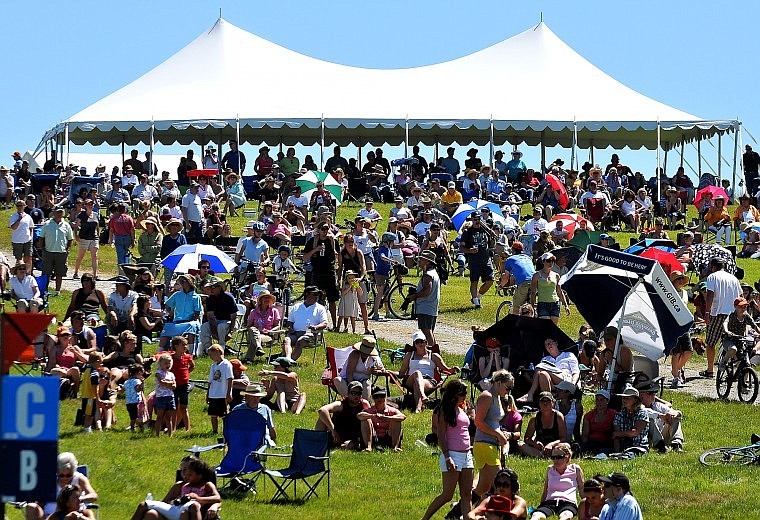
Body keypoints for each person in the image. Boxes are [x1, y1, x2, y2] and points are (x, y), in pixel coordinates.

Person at [422, 379, 473, 520]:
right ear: (454, 393)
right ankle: (425, 518)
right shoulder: (444, 410)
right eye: (462, 392)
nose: (465, 395)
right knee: (447, 495)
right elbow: (441, 436)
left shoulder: (461, 409)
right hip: (452, 454)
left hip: (467, 454)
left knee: (467, 494)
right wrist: (447, 456)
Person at [131, 457, 221, 520]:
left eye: (189, 473)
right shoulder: (180, 485)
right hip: (174, 509)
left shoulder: (206, 485)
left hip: (189, 510)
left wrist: (198, 499)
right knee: (145, 507)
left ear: (199, 475)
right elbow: (164, 502)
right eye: (183, 472)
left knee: (191, 507)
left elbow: (217, 498)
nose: (185, 475)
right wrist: (174, 501)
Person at [472, 370, 514, 501]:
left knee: (483, 487)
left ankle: (457, 511)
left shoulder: (497, 398)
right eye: (508, 387)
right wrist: (498, 434)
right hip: (485, 444)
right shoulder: (487, 396)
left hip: (492, 444)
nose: (509, 391)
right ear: (499, 383)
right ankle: (505, 512)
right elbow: (478, 422)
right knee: (502, 481)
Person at [24, 452, 98, 520]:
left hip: (74, 514)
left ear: (74, 471)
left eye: (69, 475)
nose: (65, 478)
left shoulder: (79, 479)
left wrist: (79, 499)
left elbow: (94, 495)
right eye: (61, 475)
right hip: (51, 514)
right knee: (31, 507)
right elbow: (41, 501)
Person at [399, 330, 459, 413]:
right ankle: (423, 396)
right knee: (417, 373)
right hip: (410, 379)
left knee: (418, 383)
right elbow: (401, 373)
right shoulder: (409, 355)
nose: (420, 344)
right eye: (417, 342)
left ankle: (418, 408)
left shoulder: (434, 356)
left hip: (428, 381)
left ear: (426, 342)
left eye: (422, 342)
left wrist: (453, 369)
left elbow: (446, 369)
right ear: (414, 344)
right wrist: (389, 372)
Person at [702, 257, 742, 377]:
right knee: (733, 342)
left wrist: (707, 312)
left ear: (713, 266)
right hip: (732, 314)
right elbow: (740, 295)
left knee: (711, 342)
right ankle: (736, 370)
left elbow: (710, 294)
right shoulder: (733, 278)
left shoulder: (712, 277)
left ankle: (710, 370)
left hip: (718, 313)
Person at [529, 442, 584, 520]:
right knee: (536, 515)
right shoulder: (550, 469)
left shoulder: (575, 469)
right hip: (550, 501)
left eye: (559, 457)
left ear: (567, 458)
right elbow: (545, 491)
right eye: (553, 457)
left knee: (566, 516)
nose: (555, 460)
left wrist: (586, 506)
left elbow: (582, 489)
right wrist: (541, 506)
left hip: (568, 502)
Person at [517, 338, 579, 404]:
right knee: (543, 374)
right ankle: (549, 402)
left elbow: (576, 372)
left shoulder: (568, 355)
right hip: (553, 384)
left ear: (556, 343)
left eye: (550, 342)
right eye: (546, 344)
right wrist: (524, 373)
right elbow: (535, 381)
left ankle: (530, 394)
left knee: (539, 367)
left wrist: (572, 384)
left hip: (566, 379)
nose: (549, 345)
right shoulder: (545, 359)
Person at [315, 380, 371, 450]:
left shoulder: (364, 404)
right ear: (348, 393)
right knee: (322, 418)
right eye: (353, 393)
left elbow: (370, 422)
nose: (356, 396)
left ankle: (367, 447)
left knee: (366, 418)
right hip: (337, 432)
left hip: (353, 436)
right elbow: (322, 410)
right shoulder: (341, 404)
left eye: (359, 393)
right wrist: (333, 430)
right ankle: (317, 442)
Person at [636, 380, 684, 453]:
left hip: (663, 435)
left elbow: (676, 412)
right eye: (651, 393)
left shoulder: (657, 405)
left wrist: (674, 414)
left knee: (675, 419)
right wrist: (661, 416)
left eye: (655, 392)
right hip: (649, 439)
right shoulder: (637, 407)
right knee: (649, 419)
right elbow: (644, 412)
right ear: (641, 395)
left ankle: (676, 445)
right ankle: (661, 446)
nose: (654, 395)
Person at [282, 285, 329, 360]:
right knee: (287, 340)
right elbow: (289, 322)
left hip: (311, 334)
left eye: (318, 294)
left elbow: (324, 323)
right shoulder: (296, 306)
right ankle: (287, 358)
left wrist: (316, 327)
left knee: (301, 341)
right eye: (315, 294)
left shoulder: (320, 308)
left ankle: (290, 361)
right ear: (307, 294)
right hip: (295, 333)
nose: (317, 296)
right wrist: (290, 328)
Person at [160, 274, 203, 352]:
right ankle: (160, 352)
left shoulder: (196, 297)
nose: (182, 283)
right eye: (181, 281)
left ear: (190, 283)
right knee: (166, 329)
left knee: (191, 327)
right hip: (177, 321)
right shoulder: (177, 295)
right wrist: (170, 312)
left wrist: (191, 320)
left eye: (184, 281)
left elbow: (197, 313)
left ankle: (191, 352)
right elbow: (167, 304)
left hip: (190, 321)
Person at [460, 212, 495, 308]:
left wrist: (493, 237)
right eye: (475, 219)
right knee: (474, 281)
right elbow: (461, 248)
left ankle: (478, 296)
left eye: (479, 219)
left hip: (486, 258)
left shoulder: (485, 230)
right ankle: (476, 302)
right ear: (471, 220)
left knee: (490, 281)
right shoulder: (467, 232)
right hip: (474, 260)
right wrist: (469, 251)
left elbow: (491, 244)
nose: (477, 221)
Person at [407, 249, 441, 345]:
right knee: (429, 331)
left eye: (421, 259)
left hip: (425, 307)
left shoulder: (428, 275)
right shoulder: (434, 273)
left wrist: (414, 296)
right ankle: (433, 351)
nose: (419, 261)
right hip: (431, 307)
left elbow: (426, 291)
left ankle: (432, 352)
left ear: (427, 261)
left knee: (426, 331)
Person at [357, 386, 406, 452]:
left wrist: (388, 418)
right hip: (373, 437)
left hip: (388, 437)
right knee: (366, 419)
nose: (379, 399)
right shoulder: (369, 410)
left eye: (382, 396)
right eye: (376, 397)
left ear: (385, 397)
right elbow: (359, 416)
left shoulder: (392, 410)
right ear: (373, 398)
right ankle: (368, 447)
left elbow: (403, 417)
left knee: (396, 420)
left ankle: (395, 447)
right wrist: (373, 416)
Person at [518, 392, 567, 458]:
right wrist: (535, 444)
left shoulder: (558, 417)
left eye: (548, 401)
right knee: (520, 444)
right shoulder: (534, 418)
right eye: (542, 401)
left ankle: (547, 455)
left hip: (555, 447)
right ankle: (543, 455)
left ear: (553, 403)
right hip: (539, 448)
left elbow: (563, 438)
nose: (545, 403)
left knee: (565, 446)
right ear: (539, 403)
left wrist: (551, 445)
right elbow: (527, 438)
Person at [199, 277, 237, 356]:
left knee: (221, 327)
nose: (210, 290)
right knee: (204, 327)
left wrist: (231, 332)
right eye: (209, 288)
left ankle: (221, 348)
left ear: (219, 287)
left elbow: (233, 317)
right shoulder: (210, 299)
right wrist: (213, 331)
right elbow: (210, 316)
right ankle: (207, 350)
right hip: (216, 321)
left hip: (229, 322)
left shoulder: (229, 298)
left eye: (212, 287)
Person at [40, 206, 74, 294]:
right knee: (46, 273)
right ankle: (44, 290)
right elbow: (42, 237)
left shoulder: (66, 225)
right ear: (53, 213)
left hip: (61, 252)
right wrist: (43, 248)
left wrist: (67, 249)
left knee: (60, 273)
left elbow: (70, 239)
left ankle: (57, 291)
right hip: (48, 252)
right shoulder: (47, 224)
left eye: (60, 212)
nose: (59, 214)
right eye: (57, 212)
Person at [530, 253, 570, 324]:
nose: (551, 263)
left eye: (552, 261)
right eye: (548, 261)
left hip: (555, 304)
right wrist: (532, 307)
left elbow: (559, 292)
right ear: (543, 261)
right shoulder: (536, 275)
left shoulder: (556, 275)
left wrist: (566, 306)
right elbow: (533, 293)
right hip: (542, 304)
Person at [611, 385, 649, 458]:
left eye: (627, 398)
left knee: (631, 454)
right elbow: (616, 436)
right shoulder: (620, 415)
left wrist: (619, 434)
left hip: (639, 447)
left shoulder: (642, 413)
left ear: (635, 400)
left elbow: (635, 432)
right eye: (623, 398)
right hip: (623, 447)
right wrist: (616, 451)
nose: (624, 400)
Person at [206, 344, 233, 435]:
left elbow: (230, 379)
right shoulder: (213, 367)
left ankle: (226, 430)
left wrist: (228, 393)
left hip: (222, 394)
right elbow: (210, 381)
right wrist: (208, 394)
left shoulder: (226, 364)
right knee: (213, 414)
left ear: (218, 352)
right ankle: (214, 431)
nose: (211, 357)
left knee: (224, 414)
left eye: (211, 355)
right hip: (213, 394)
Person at [580, 389, 617, 456]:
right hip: (592, 442)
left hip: (606, 442)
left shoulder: (613, 414)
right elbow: (585, 435)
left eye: (602, 400)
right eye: (597, 400)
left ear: (607, 401)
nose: (599, 402)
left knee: (604, 451)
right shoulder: (588, 416)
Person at [169, 336, 195, 432]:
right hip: (175, 385)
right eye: (183, 345)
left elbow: (192, 366)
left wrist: (187, 373)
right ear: (176, 346)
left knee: (184, 407)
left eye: (186, 345)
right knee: (174, 407)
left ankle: (188, 428)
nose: (185, 347)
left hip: (184, 385)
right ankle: (173, 427)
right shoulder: (171, 358)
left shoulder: (187, 357)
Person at [501, 242, 535, 312]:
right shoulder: (528, 257)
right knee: (531, 306)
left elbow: (506, 277)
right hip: (535, 282)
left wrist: (501, 286)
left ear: (512, 250)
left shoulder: (510, 259)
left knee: (517, 308)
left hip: (524, 283)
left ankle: (516, 322)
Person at [10, 199, 34, 271]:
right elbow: (13, 227)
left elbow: (31, 228)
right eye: (18, 206)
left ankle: (28, 273)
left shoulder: (28, 217)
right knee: (19, 259)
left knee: (29, 257)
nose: (20, 207)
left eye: (21, 205)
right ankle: (19, 273)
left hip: (27, 240)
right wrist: (19, 220)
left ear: (24, 206)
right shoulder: (13, 216)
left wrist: (31, 237)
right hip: (17, 240)